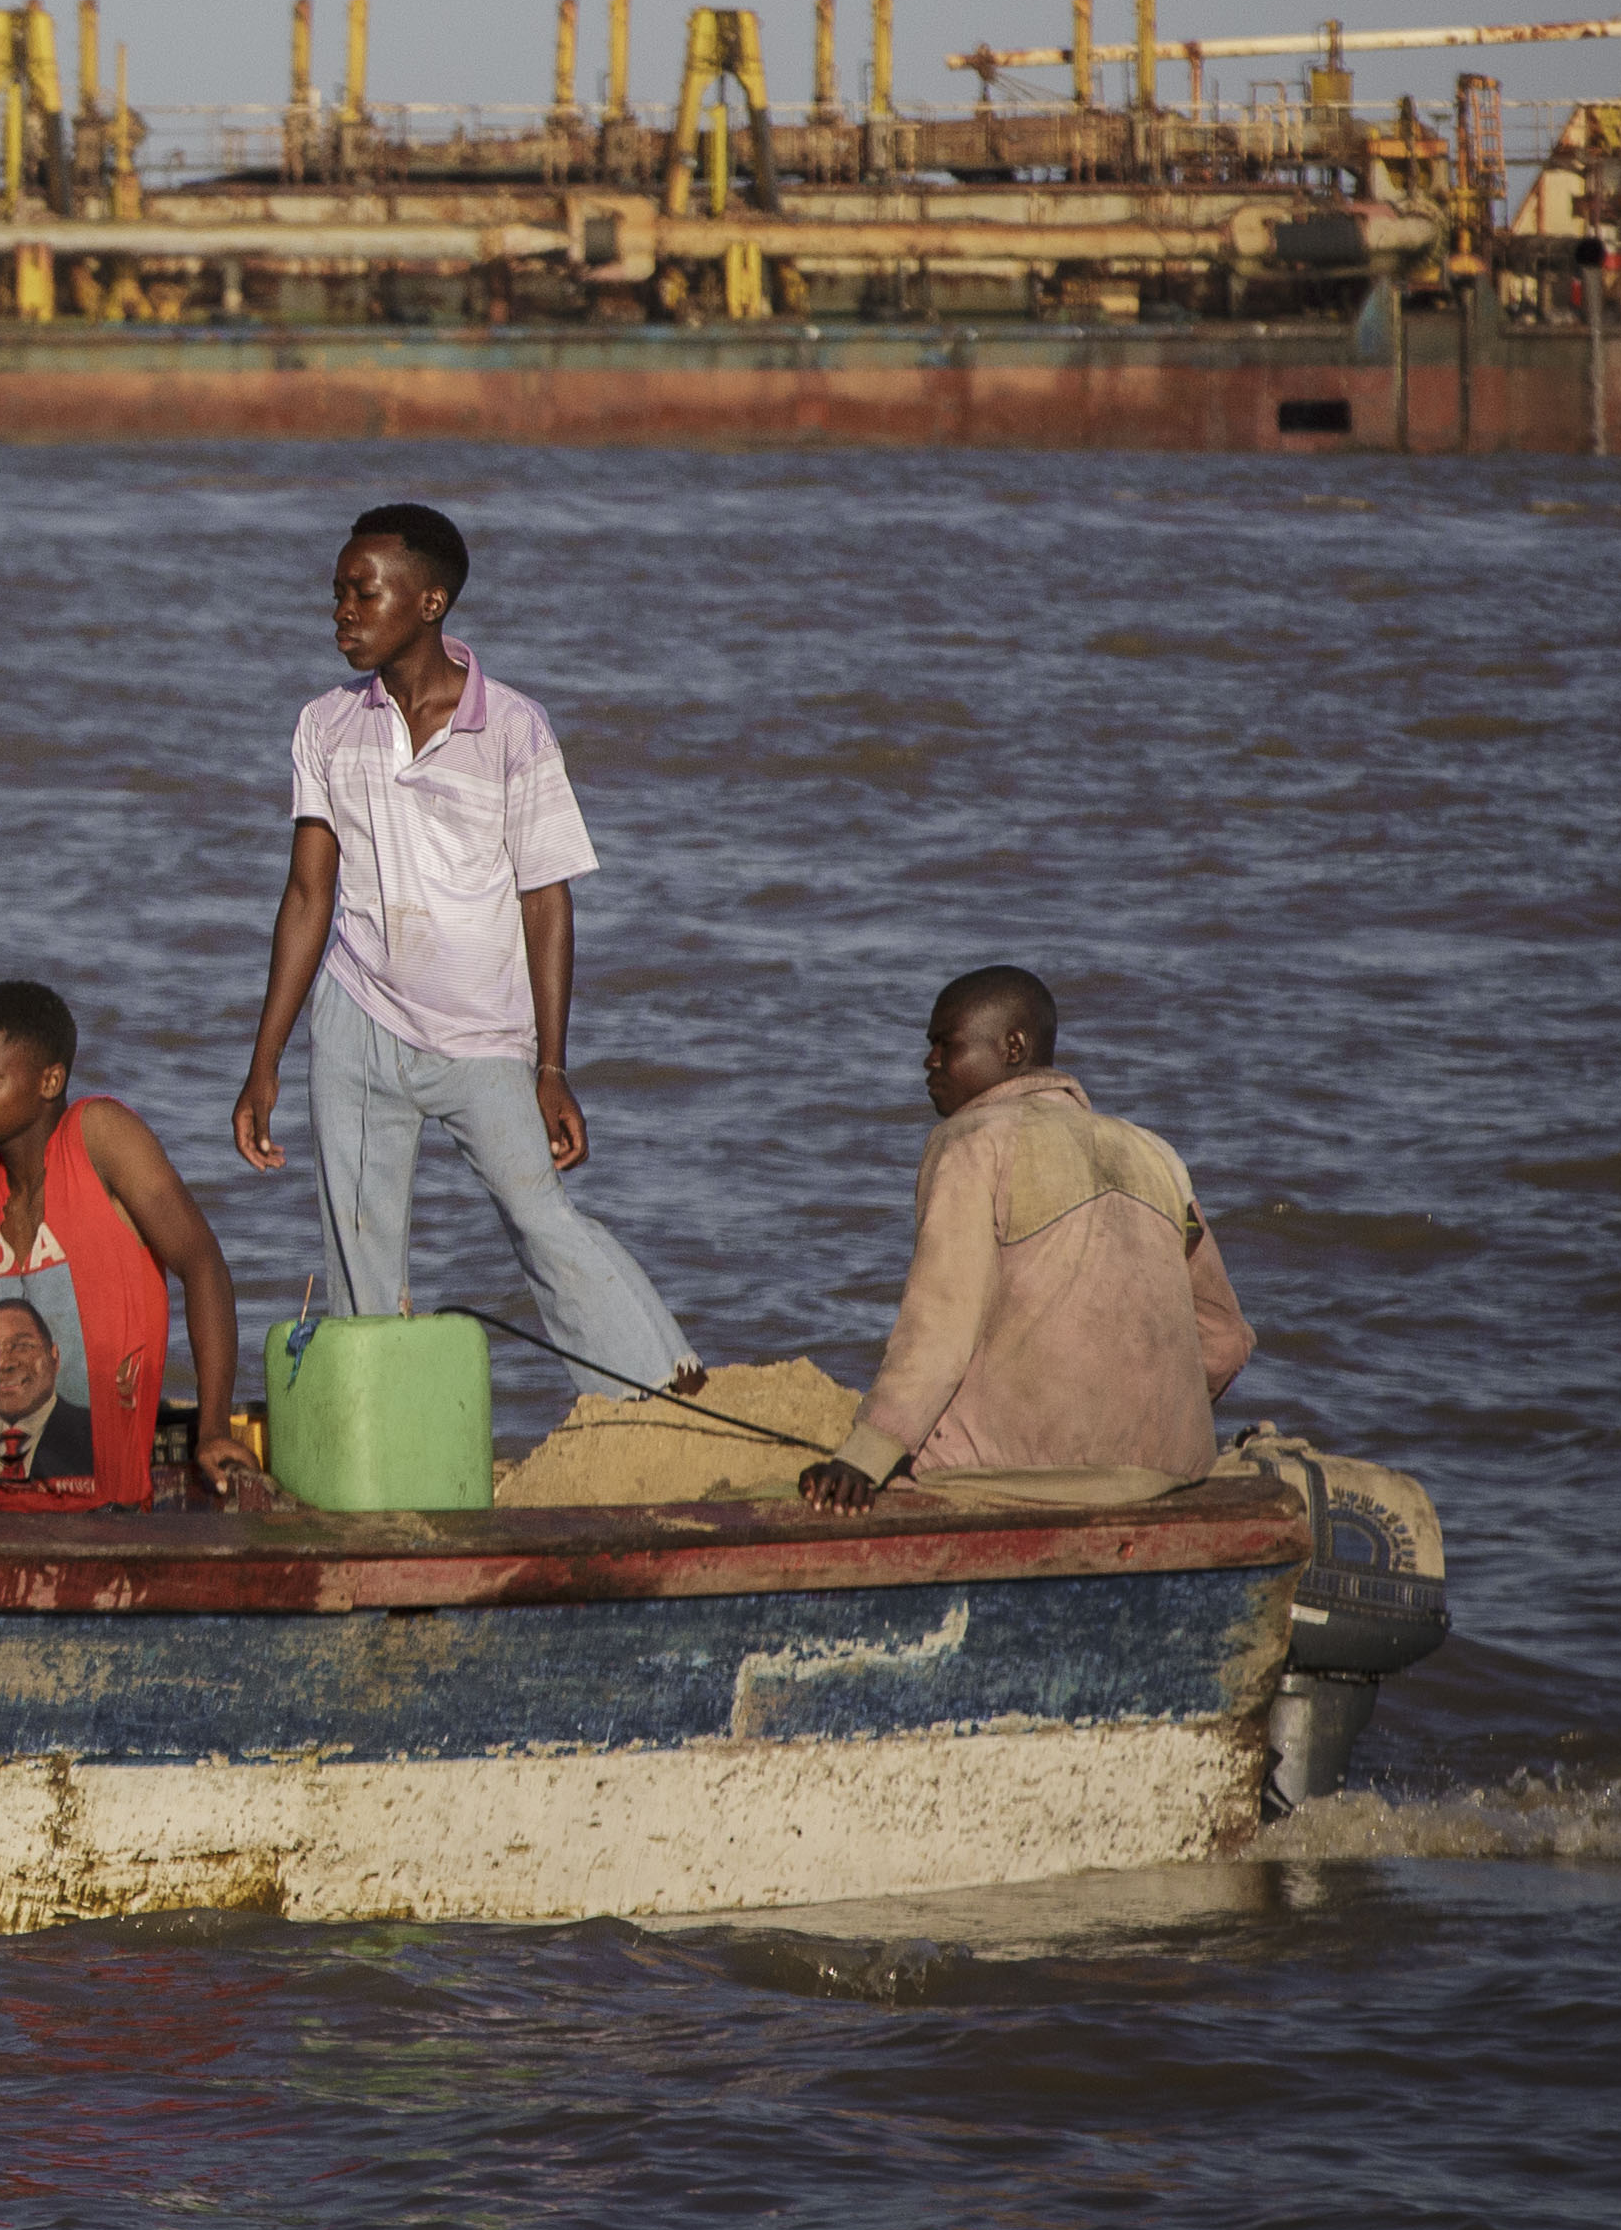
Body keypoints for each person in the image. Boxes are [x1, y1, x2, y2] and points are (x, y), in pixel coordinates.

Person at [227, 500, 703, 1400]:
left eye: (362, 593)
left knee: (539, 1217)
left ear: (430, 601)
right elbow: (306, 895)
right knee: (357, 1250)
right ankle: (383, 1438)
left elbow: (546, 899)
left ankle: (660, 1387)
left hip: (485, 1037)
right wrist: (264, 1064)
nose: (341, 613)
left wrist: (551, 1065)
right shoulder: (324, 724)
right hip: (357, 1021)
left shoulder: (513, 729)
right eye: (335, 594)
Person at [801, 968, 1254, 1510]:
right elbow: (1225, 1340)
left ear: (1012, 1046)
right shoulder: (1154, 1153)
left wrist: (866, 1455)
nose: (930, 1062)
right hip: (1171, 1473)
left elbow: (940, 1330)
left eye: (946, 1044)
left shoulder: (971, 1142)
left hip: (1011, 1482)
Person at [0, 978, 266, 1512]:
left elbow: (203, 1264)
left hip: (99, 1507)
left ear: (49, 1081)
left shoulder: (99, 1135)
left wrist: (213, 1430)